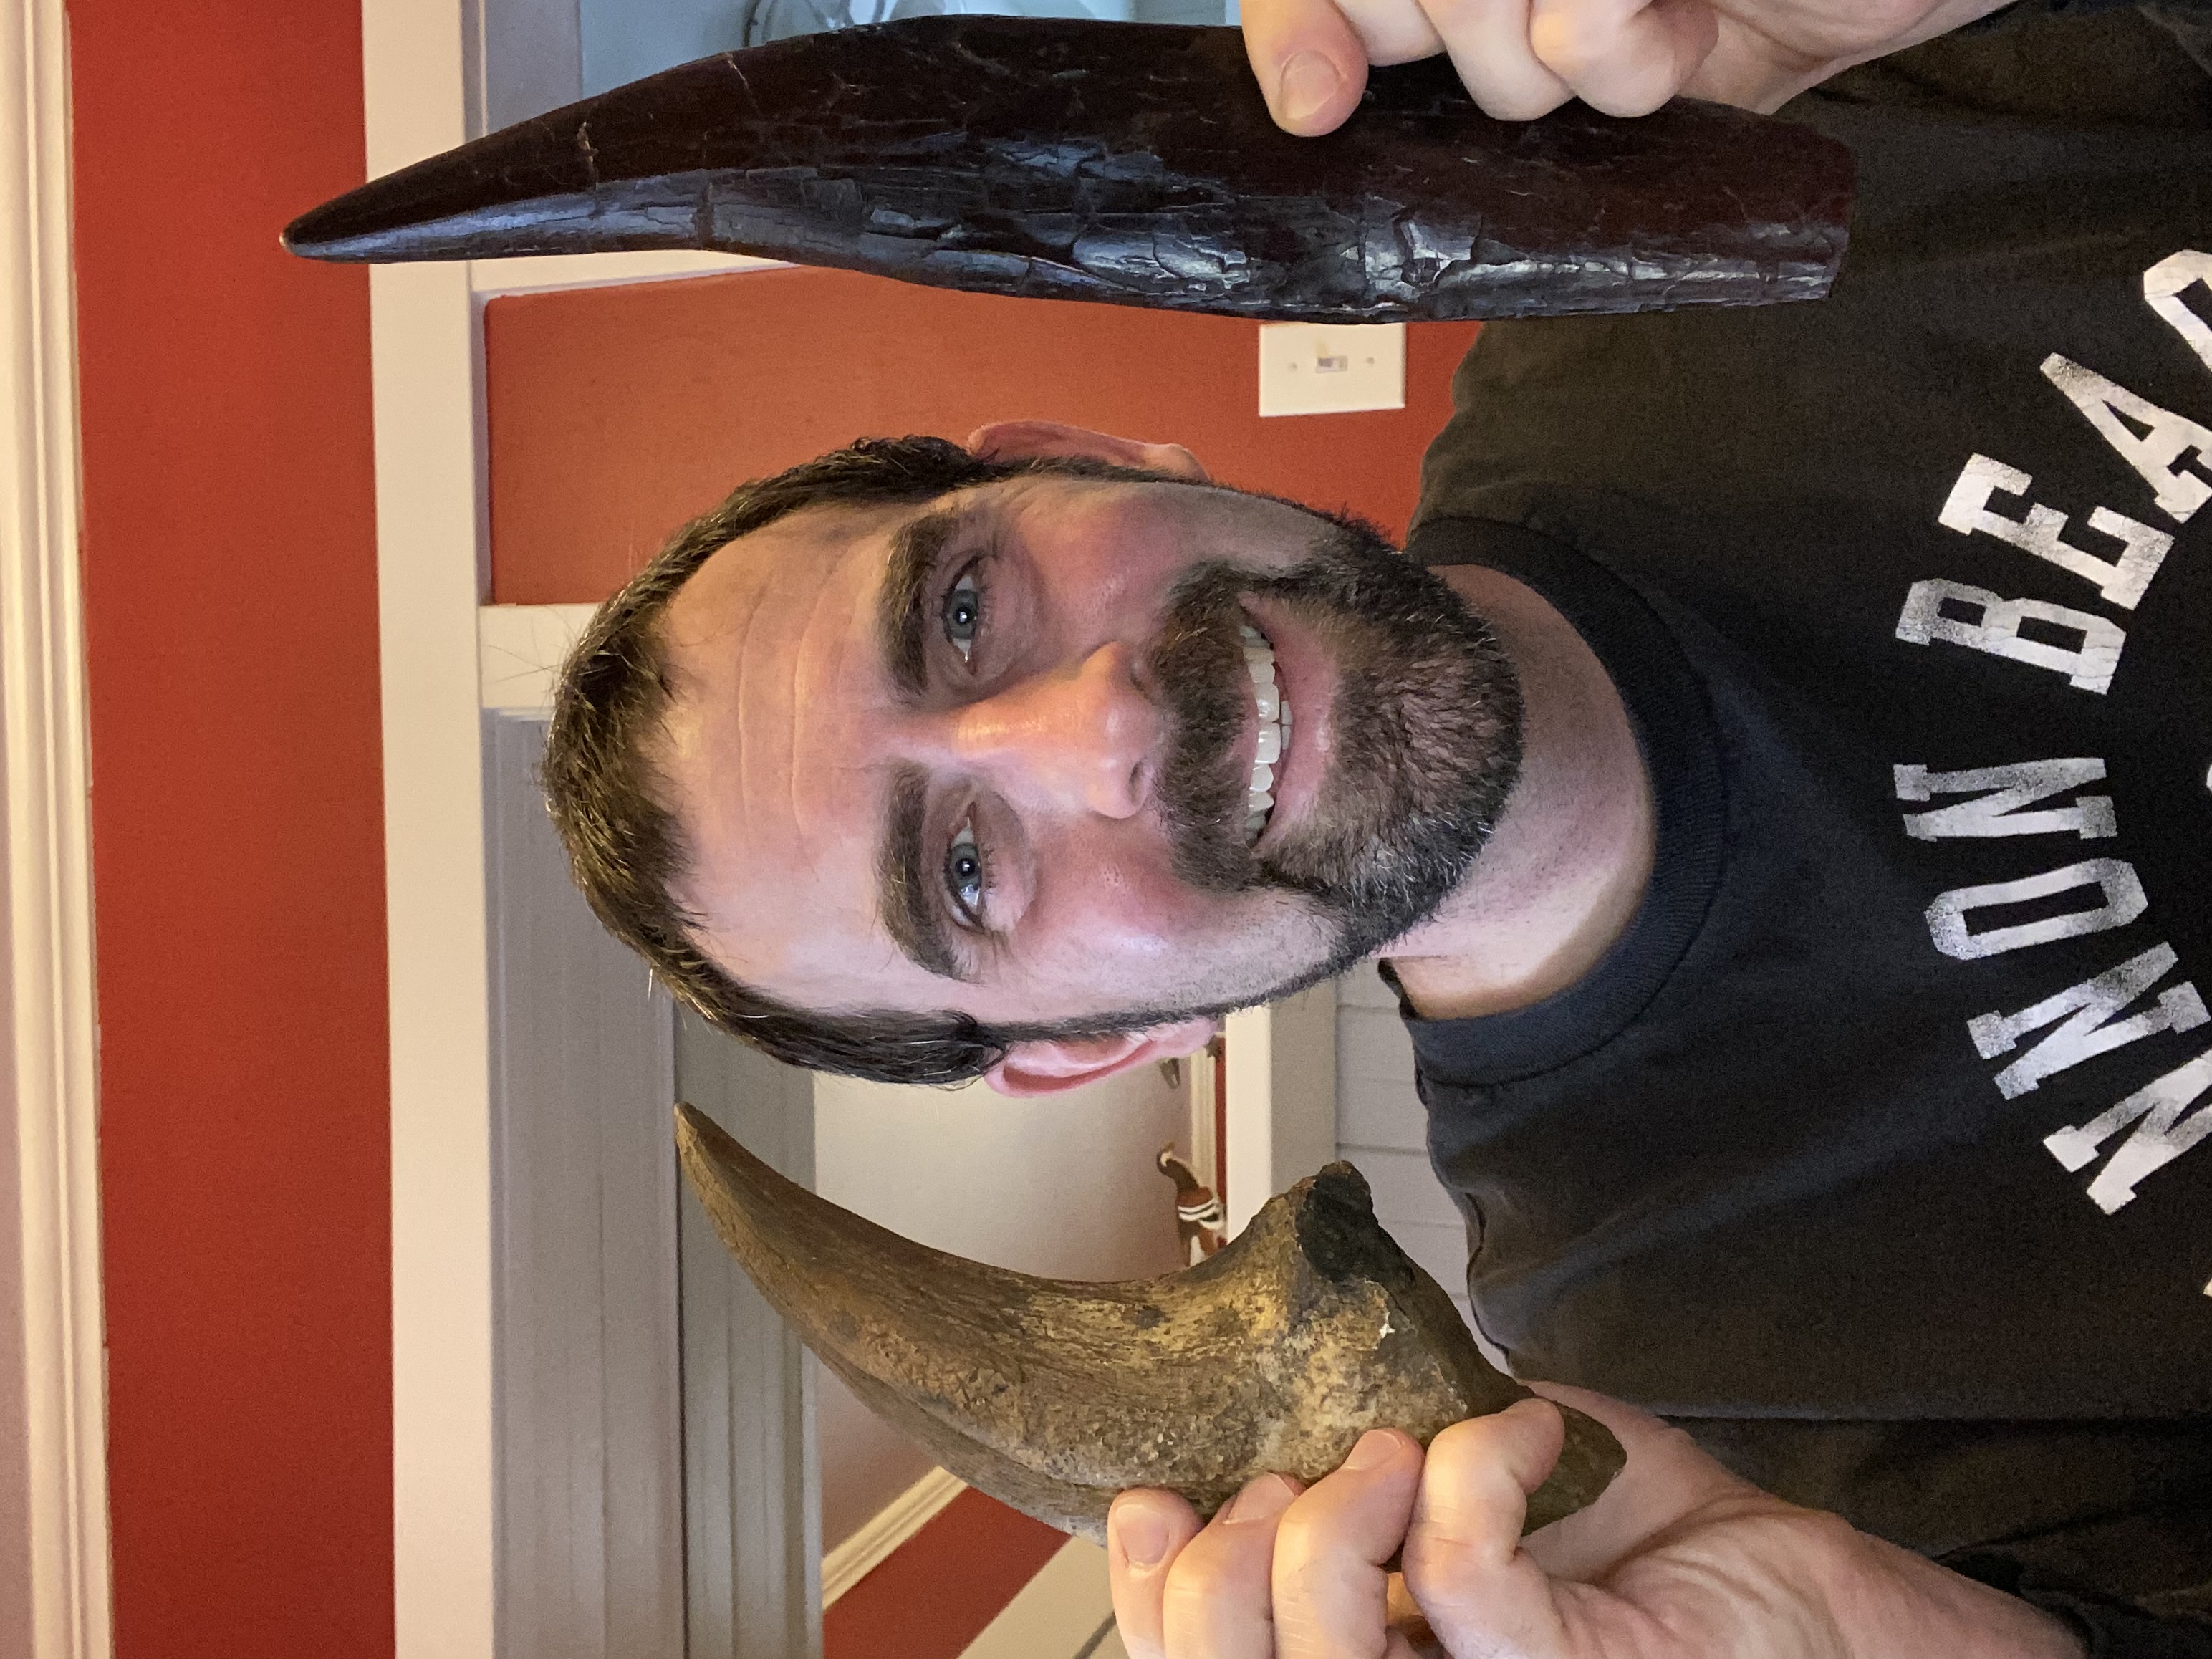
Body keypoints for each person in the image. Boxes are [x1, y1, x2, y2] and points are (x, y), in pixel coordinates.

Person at [539, 0, 2212, 1652]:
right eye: (962, 871)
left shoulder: (1696, 183)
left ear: (1078, 457)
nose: (1099, 721)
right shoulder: (1701, 1420)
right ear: (1091, 1048)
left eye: (964, 608)